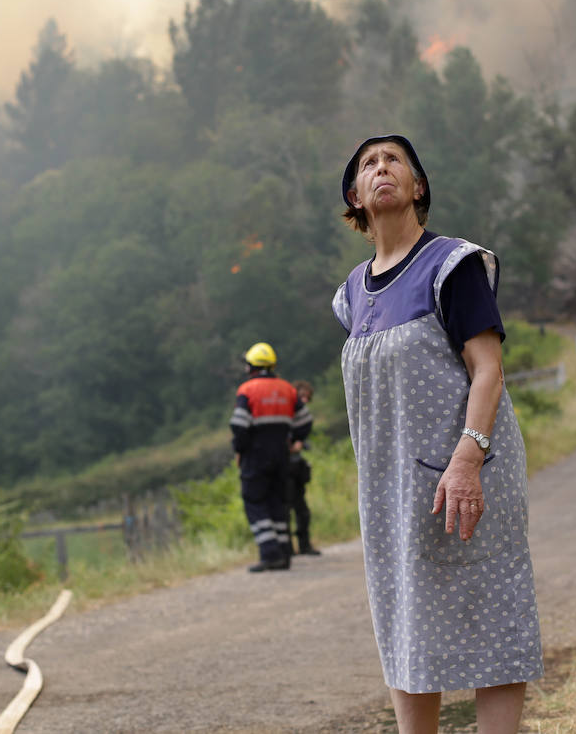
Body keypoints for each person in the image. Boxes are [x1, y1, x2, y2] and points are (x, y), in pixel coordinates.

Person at [331, 135, 542, 734]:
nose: (382, 169)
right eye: (369, 164)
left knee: (491, 611)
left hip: (470, 469)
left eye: (394, 159)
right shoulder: (351, 294)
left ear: (418, 186)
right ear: (355, 197)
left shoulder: (453, 264)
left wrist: (468, 459)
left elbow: (488, 369)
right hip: (392, 491)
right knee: (406, 620)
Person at [229, 342, 312, 572]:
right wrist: (294, 439)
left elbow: (239, 426)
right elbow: (305, 422)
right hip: (282, 457)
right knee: (278, 503)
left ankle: (270, 553)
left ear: (251, 367)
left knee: (255, 502)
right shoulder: (288, 389)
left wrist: (239, 450)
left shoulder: (247, 390)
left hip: (255, 457)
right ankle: (284, 554)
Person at [289, 380, 320, 556]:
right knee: (285, 508)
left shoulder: (301, 418)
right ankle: (287, 548)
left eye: (308, 398)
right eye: (302, 397)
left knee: (302, 509)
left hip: (297, 466)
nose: (305, 402)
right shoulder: (285, 410)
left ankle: (304, 545)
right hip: (284, 467)